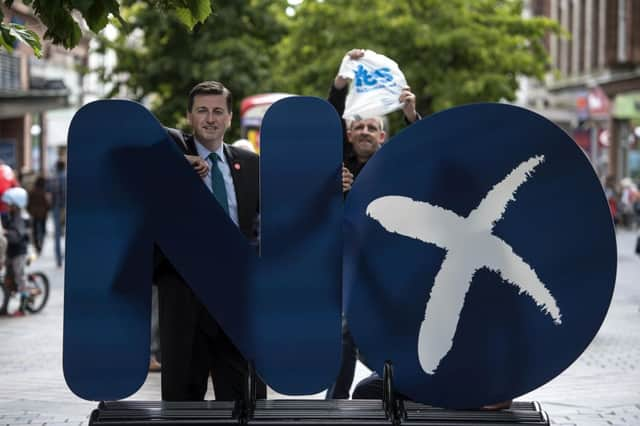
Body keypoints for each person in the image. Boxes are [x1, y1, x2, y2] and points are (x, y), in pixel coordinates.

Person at [154, 80, 266, 401]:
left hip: (236, 301)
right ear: (189, 116)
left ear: (230, 118)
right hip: (185, 298)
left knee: (243, 399)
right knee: (183, 401)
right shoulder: (168, 157)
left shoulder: (251, 165)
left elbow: (284, 212)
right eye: (202, 110)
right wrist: (172, 168)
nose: (210, 118)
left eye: (218, 111)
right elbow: (125, 135)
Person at [325, 49, 419, 399]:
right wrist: (340, 83)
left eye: (372, 127)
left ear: (383, 137)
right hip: (348, 272)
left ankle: (402, 389)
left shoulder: (397, 165)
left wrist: (411, 115)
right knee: (346, 332)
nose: (364, 131)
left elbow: (424, 149)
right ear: (349, 135)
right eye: (359, 126)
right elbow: (329, 119)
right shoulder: (336, 167)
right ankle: (335, 403)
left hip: (392, 271)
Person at [1, 187, 30, 317]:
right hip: (10, 252)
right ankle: (4, 307)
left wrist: (6, 233)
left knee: (20, 279)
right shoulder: (10, 215)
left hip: (19, 252)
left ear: (16, 204)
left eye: (10, 204)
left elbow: (17, 236)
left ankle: (23, 308)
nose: (8, 206)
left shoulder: (20, 218)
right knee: (7, 279)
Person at [46, 160, 66, 267]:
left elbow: (49, 194)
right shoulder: (67, 176)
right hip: (66, 208)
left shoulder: (53, 178)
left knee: (57, 235)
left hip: (56, 209)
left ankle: (58, 260)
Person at [27, 176, 50, 255]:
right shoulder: (44, 192)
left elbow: (28, 203)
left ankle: (37, 246)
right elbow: (47, 204)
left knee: (35, 231)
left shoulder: (32, 191)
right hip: (43, 213)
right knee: (43, 229)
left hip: (34, 213)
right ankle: (41, 244)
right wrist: (47, 210)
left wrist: (30, 211)